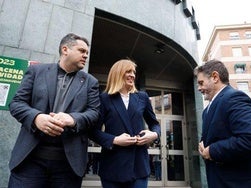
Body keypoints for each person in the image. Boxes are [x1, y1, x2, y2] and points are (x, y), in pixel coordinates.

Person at [8, 33, 100, 188]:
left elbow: (94, 113)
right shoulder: (36, 71)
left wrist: (73, 119)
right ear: (65, 49)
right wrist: (37, 118)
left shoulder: (90, 82)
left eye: (87, 53)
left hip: (67, 166)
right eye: (82, 51)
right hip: (30, 160)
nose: (86, 55)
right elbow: (16, 103)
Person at [194, 59, 251, 188]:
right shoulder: (206, 110)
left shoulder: (234, 98)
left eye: (201, 83)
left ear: (215, 77)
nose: (199, 88)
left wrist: (212, 151)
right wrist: (203, 145)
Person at [89, 59, 161, 188]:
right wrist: (114, 140)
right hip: (112, 165)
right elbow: (93, 131)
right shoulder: (104, 98)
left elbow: (154, 124)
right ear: (117, 73)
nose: (132, 75)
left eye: (133, 72)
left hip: (138, 165)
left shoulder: (142, 97)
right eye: (128, 71)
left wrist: (154, 134)